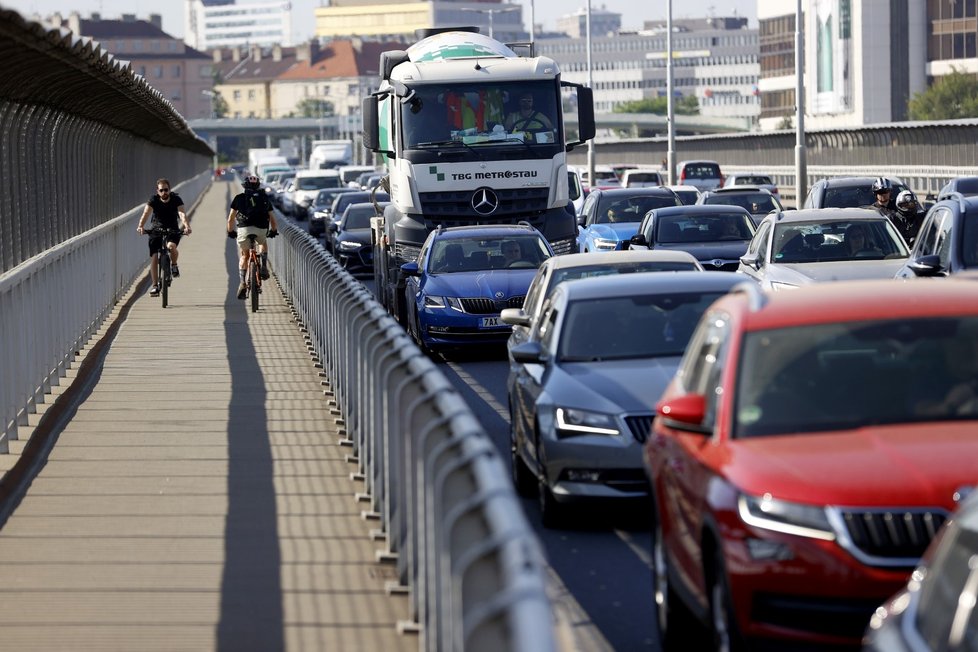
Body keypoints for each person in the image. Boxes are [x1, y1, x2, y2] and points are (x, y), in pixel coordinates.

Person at [227, 174, 279, 300]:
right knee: (263, 243)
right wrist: (273, 231)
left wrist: (230, 231)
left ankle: (243, 282)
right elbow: (272, 219)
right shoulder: (264, 198)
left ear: (244, 186)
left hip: (244, 230)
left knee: (244, 255)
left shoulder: (239, 198)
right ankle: (264, 266)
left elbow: (231, 219)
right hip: (261, 229)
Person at [137, 178, 191, 297]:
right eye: (161, 190)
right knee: (155, 256)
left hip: (172, 229)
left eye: (166, 190)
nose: (164, 193)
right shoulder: (153, 200)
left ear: (169, 189)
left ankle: (174, 265)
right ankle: (155, 286)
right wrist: (141, 226)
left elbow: (181, 214)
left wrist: (186, 226)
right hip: (156, 229)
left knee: (171, 247)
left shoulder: (176, 199)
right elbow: (146, 213)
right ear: (157, 191)